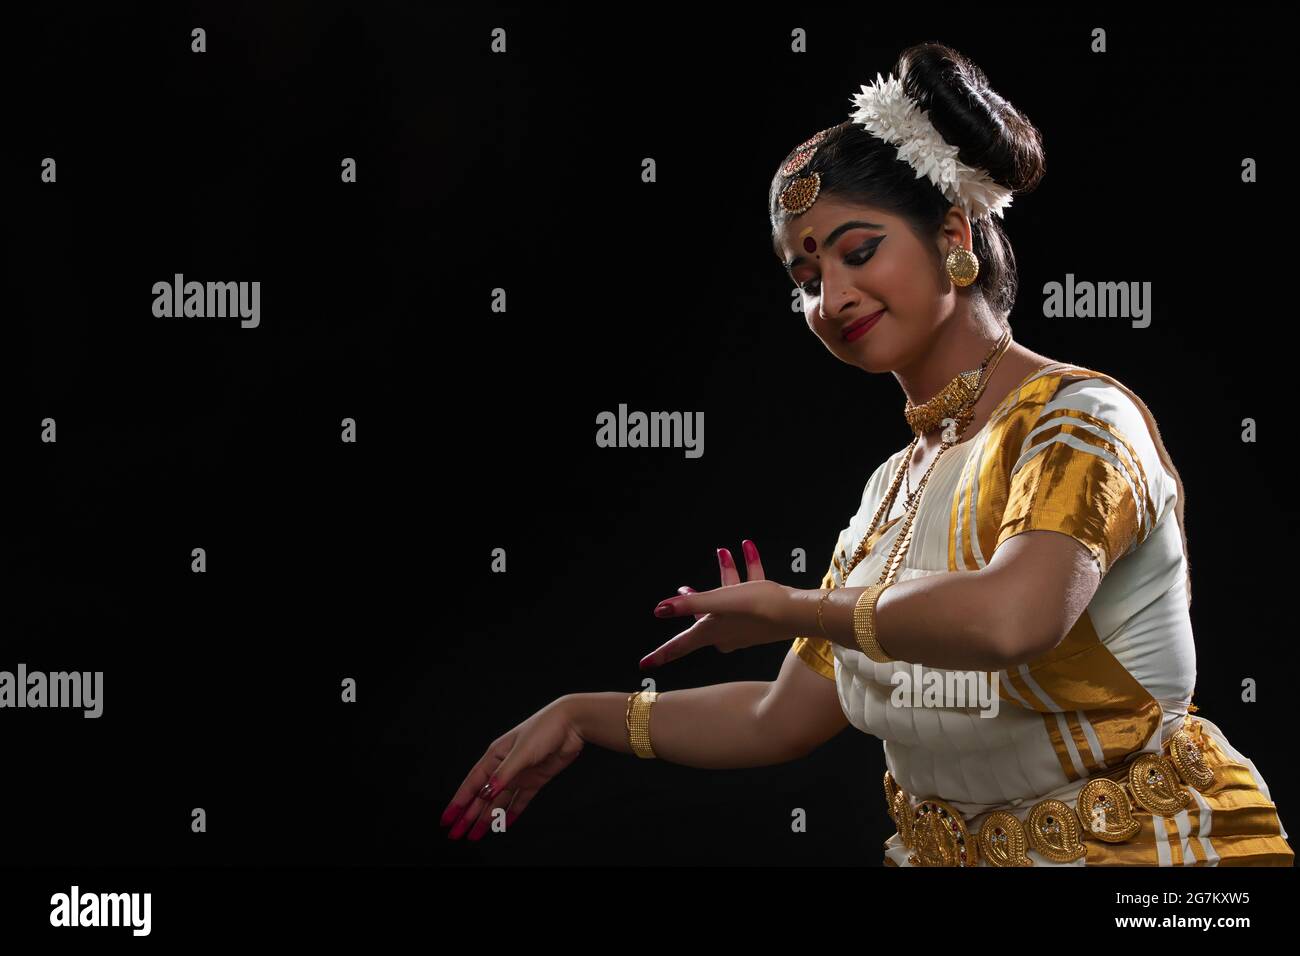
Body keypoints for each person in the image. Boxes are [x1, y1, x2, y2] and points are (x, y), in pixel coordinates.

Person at [441, 42, 1293, 866]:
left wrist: (794, 609)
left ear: (953, 233)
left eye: (858, 251)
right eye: (806, 281)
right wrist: (584, 715)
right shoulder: (893, 487)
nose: (833, 297)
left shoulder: (1076, 422)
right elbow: (778, 718)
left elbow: (1013, 619)